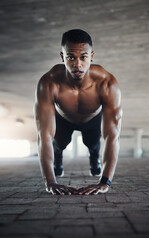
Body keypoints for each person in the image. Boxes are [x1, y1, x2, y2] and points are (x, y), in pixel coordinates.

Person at [34, 29, 123, 195]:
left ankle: (93, 159)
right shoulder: (49, 83)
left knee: (94, 145)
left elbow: (112, 135)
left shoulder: (107, 83)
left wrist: (105, 182)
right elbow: (44, 135)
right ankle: (58, 158)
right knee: (58, 145)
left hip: (92, 119)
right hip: (64, 119)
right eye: (71, 57)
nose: (77, 64)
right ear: (62, 57)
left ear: (91, 56)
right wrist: (50, 182)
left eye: (83, 57)